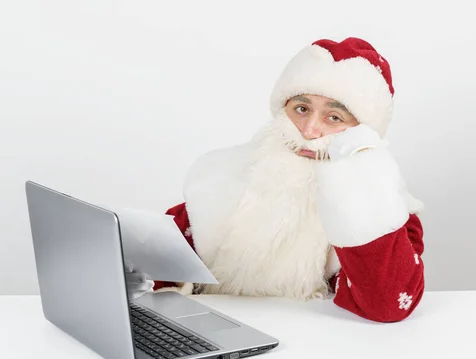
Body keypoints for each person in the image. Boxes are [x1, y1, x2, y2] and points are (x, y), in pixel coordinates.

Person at [138, 37, 425, 323]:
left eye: (334, 117)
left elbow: (386, 305)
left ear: (361, 134)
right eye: (301, 109)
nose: (309, 130)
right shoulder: (221, 179)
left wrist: (359, 200)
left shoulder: (390, 215)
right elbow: (157, 266)